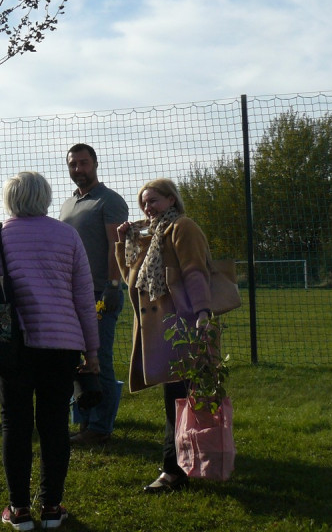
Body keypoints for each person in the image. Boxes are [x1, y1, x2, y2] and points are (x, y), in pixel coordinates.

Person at [0, 172, 99, 531]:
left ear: (10, 198)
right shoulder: (68, 235)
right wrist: (93, 350)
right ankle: (53, 506)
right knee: (55, 425)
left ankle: (19, 509)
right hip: (63, 344)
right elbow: (84, 298)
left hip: (14, 346)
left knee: (16, 424)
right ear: (45, 197)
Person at [115, 178, 213, 494]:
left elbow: (195, 272)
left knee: (180, 398)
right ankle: (188, 463)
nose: (147, 207)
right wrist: (122, 243)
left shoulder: (182, 228)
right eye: (144, 202)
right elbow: (131, 277)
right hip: (164, 331)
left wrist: (202, 314)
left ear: (171, 200)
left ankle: (174, 471)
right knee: (178, 398)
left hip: (184, 327)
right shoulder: (155, 234)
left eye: (154, 200)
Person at [58, 144, 129, 445]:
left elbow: (117, 247)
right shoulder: (68, 204)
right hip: (71, 294)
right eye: (73, 164)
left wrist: (113, 286)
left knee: (100, 359)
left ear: (95, 164)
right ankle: (85, 421)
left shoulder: (109, 201)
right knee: (78, 360)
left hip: (101, 291)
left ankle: (100, 428)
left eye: (83, 163)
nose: (78, 169)